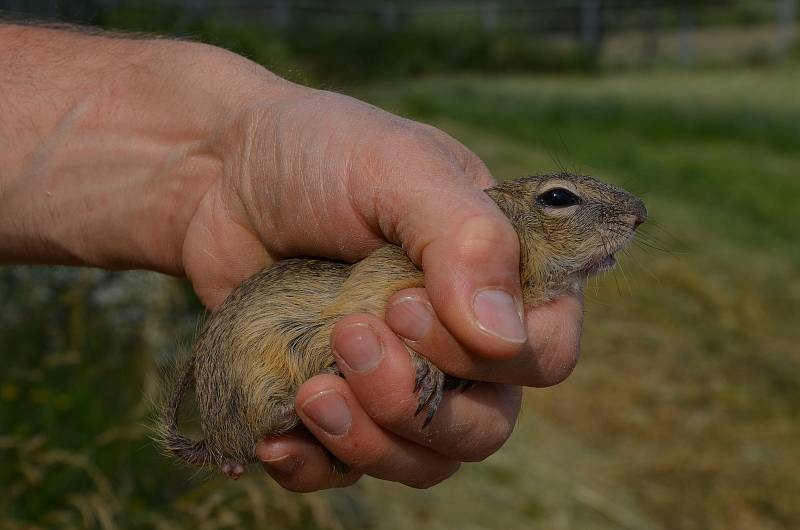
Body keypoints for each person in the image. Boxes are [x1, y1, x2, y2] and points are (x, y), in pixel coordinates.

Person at [0, 24, 583, 492]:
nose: (629, 223)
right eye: (561, 203)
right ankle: (249, 431)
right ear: (510, 211)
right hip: (272, 341)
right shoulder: (425, 254)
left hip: (291, 348)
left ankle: (269, 433)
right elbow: (367, 298)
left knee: (360, 405)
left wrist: (220, 163)